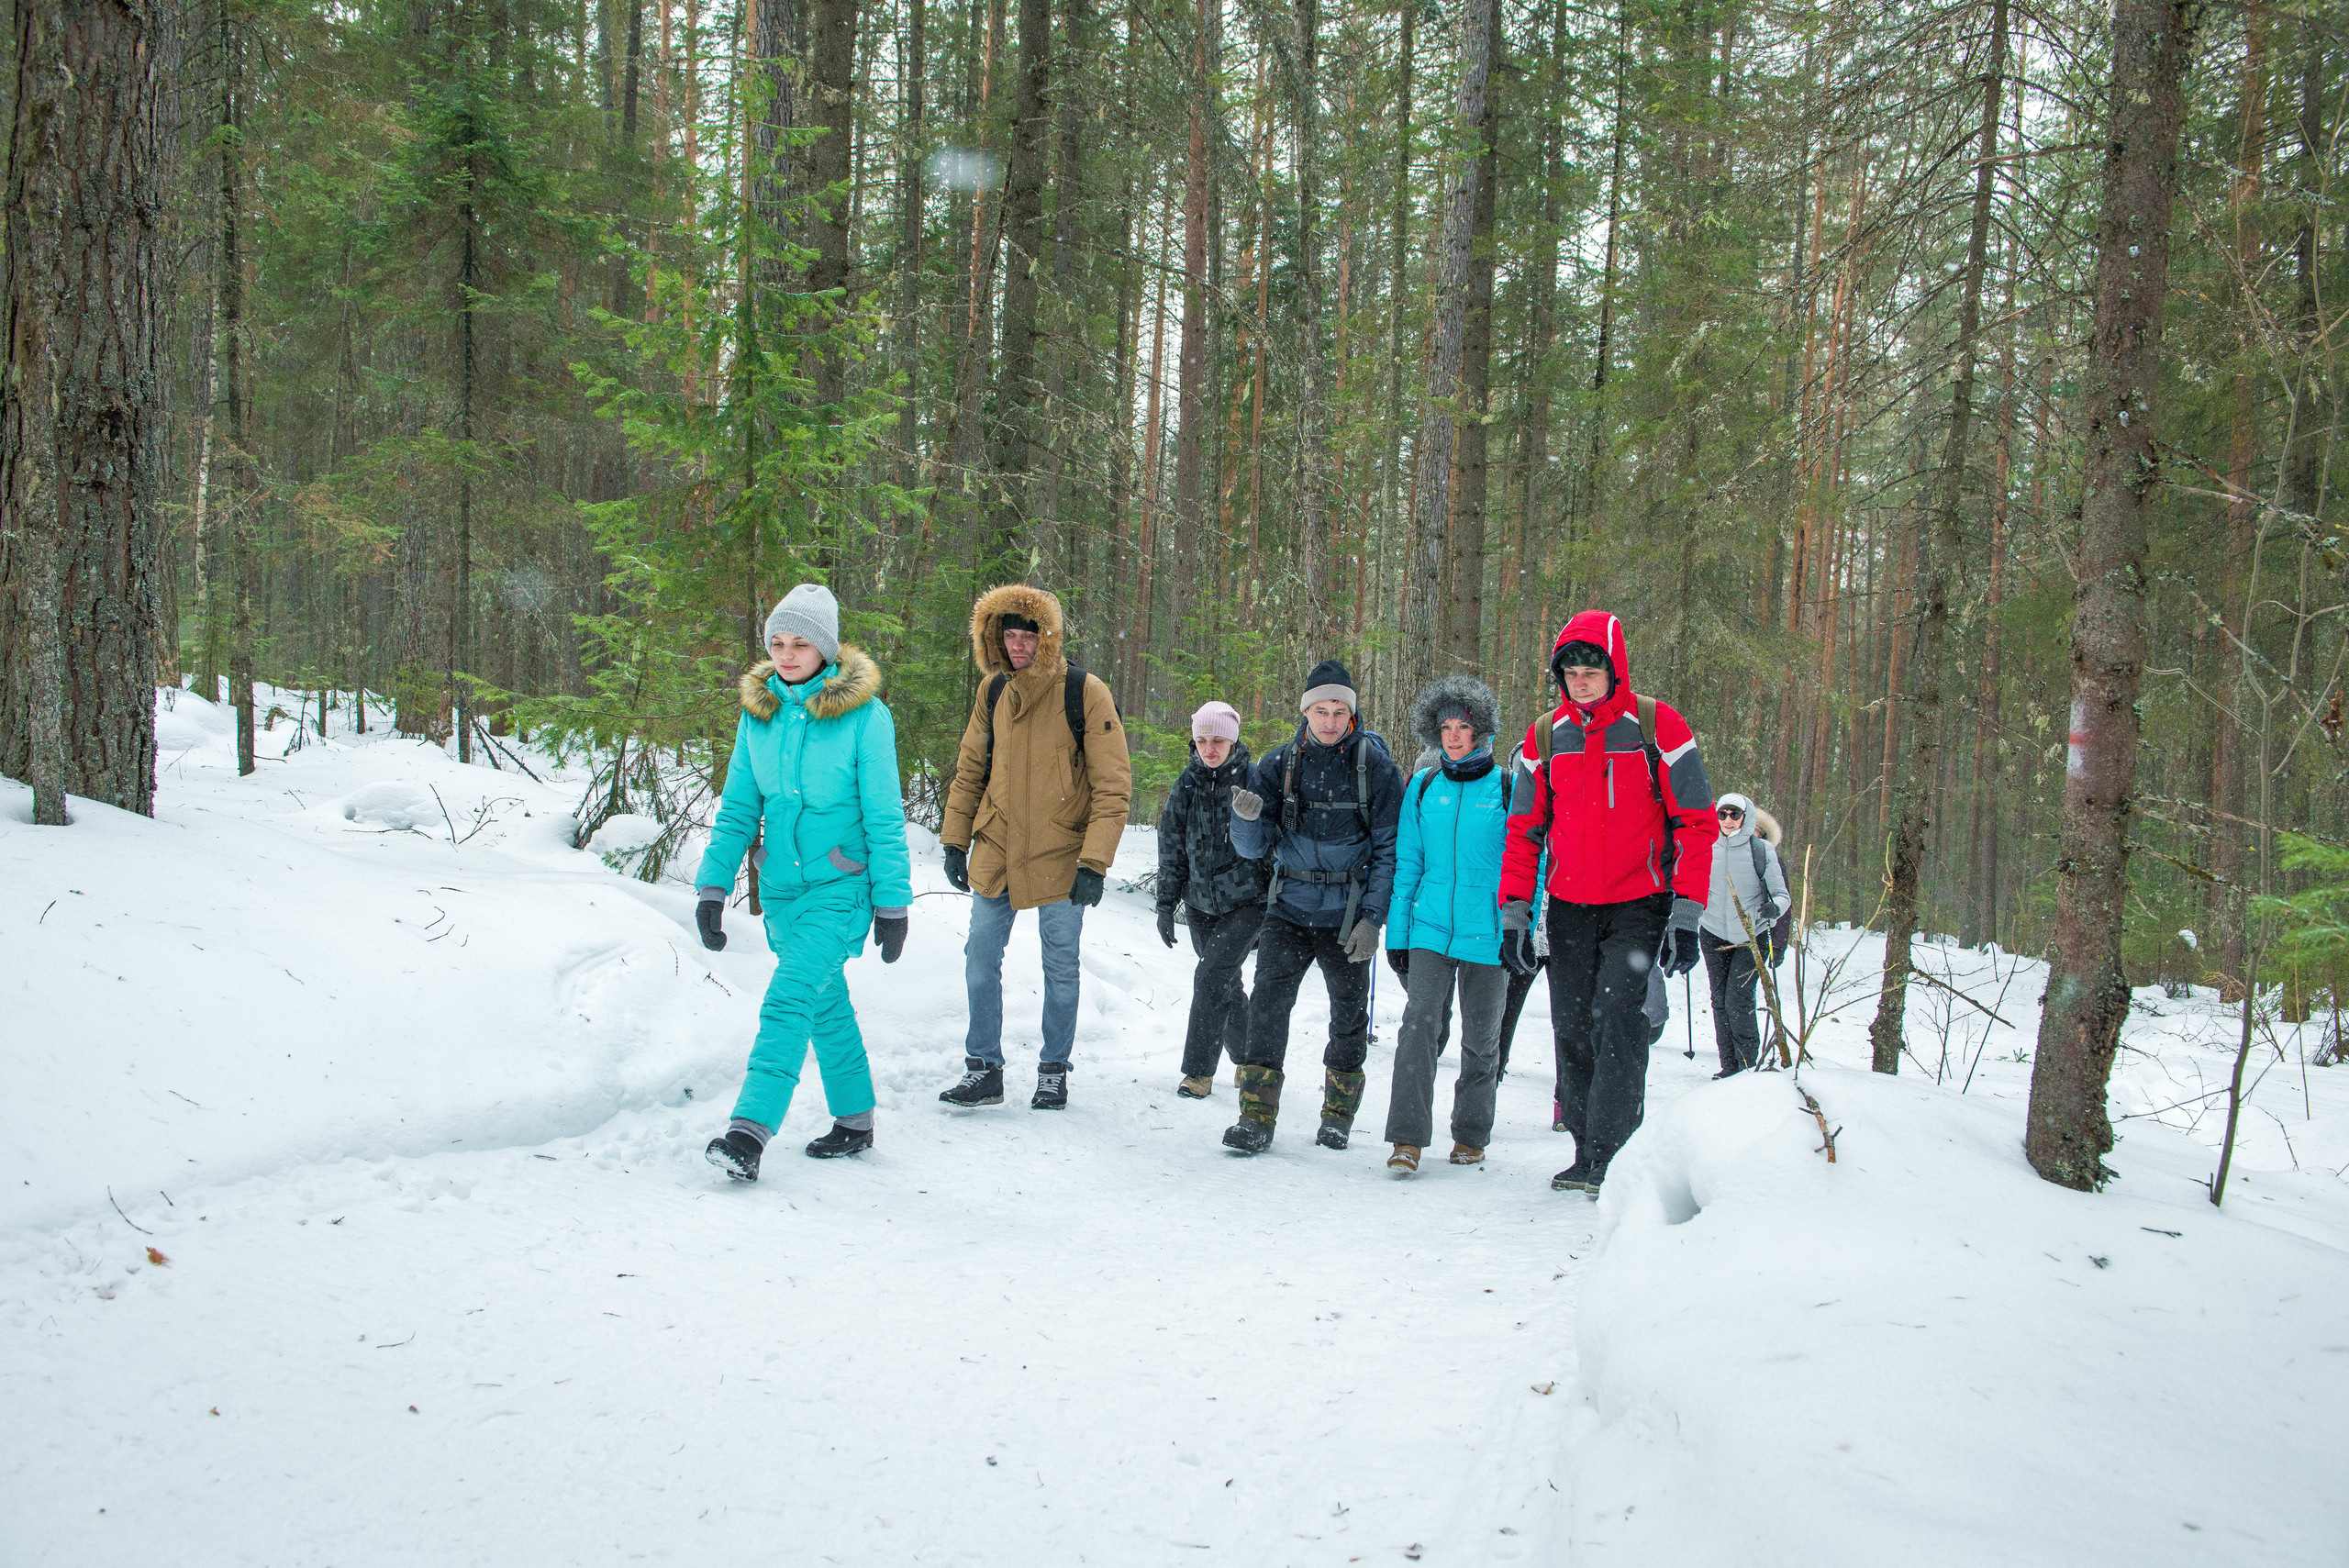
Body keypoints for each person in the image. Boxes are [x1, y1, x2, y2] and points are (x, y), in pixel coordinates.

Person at [697, 584, 913, 1183]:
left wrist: (893, 902)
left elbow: (884, 815)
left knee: (790, 996)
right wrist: (713, 887)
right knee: (823, 1003)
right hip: (785, 894)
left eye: (801, 643)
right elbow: (739, 808)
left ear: (826, 649)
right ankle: (856, 1120)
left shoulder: (865, 717)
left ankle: (749, 1132)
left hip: (842, 890)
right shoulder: (758, 715)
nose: (787, 654)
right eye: (777, 642)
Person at [1499, 611, 1720, 1196]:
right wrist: (1515, 910)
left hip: (1637, 902)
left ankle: (1614, 1155)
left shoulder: (1657, 727)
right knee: (1572, 1026)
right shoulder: (1545, 737)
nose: (1580, 681)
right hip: (1569, 903)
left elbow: (1696, 824)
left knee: (1617, 1019)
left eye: (1590, 670)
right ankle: (1583, 1148)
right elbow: (1523, 830)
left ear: (1613, 668)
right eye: (1570, 673)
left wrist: (1686, 913)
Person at [936, 584, 1132, 1112]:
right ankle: (983, 1069)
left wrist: (1094, 860)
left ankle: (1053, 1070)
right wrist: (956, 839)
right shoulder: (992, 692)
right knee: (980, 954)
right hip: (997, 845)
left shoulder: (1084, 690)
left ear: (1047, 638)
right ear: (995, 639)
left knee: (1060, 964)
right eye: (1009, 635)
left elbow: (1113, 785)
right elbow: (971, 768)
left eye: (1028, 635)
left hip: (1062, 850)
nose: (1018, 644)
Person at [1221, 659, 1404, 1155]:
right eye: (1319, 710)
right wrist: (1244, 821)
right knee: (1267, 1008)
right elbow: (1253, 849)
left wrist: (1373, 918)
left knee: (1348, 1016)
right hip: (1289, 908)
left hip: (1347, 914)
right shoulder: (1279, 765)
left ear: (1351, 714)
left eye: (1338, 710)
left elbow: (1391, 853)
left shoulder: (1378, 770)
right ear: (1305, 712)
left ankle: (1338, 1117)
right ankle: (1255, 1116)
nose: (1328, 721)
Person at [1381, 676, 1511, 1174]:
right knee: (1418, 1027)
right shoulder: (1424, 785)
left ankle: (1471, 1135)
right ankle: (1407, 1140)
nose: (1454, 736)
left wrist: (1522, 924)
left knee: (1482, 1039)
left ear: (1482, 732)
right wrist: (1399, 933)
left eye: (1464, 727)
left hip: (1489, 932)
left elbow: (1530, 861)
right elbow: (1407, 862)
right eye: (1445, 727)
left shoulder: (1506, 786)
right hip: (1430, 927)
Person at [1156, 700, 1270, 1098]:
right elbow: (1171, 846)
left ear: (1233, 740)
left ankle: (1198, 1073)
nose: (1209, 748)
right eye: (1202, 739)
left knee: (1209, 977)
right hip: (1201, 906)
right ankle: (1250, 1059)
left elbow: (1272, 842)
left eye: (1218, 740)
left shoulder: (1256, 780)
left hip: (1247, 902)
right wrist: (1166, 903)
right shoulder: (1186, 783)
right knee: (1225, 983)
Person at [1700, 792, 1790, 1077]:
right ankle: (1729, 1065)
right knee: (1718, 999)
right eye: (1722, 814)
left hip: (1752, 935)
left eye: (1734, 814)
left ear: (1746, 817)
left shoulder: (1761, 850)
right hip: (1713, 931)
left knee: (1737, 998)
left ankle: (1747, 1065)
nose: (1728, 820)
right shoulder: (1705, 846)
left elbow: (1781, 895)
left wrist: (1773, 908)